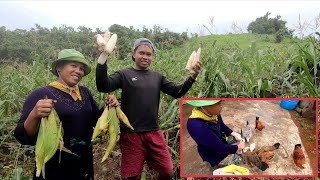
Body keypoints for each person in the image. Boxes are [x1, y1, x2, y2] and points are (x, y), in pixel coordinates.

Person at [95, 38, 202, 179]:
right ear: (133, 54)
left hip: (154, 132)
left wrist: (192, 77)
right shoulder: (124, 74)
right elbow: (103, 86)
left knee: (168, 172)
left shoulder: (157, 77)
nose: (145, 57)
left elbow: (177, 92)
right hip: (131, 134)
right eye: (141, 53)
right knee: (132, 176)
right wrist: (103, 59)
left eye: (149, 54)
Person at [14, 49, 119, 180]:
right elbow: (21, 136)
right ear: (59, 67)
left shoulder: (85, 93)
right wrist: (34, 114)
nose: (78, 71)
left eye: (81, 68)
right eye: (73, 66)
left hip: (83, 163)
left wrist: (108, 107)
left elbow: (94, 122)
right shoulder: (40, 94)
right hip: (54, 166)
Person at [185, 100, 245, 168]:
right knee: (238, 159)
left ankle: (230, 145)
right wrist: (237, 147)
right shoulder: (197, 126)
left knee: (239, 135)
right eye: (218, 104)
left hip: (220, 139)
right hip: (214, 152)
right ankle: (217, 162)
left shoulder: (214, 114)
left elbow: (222, 126)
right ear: (207, 106)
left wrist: (232, 133)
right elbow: (219, 148)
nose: (221, 107)